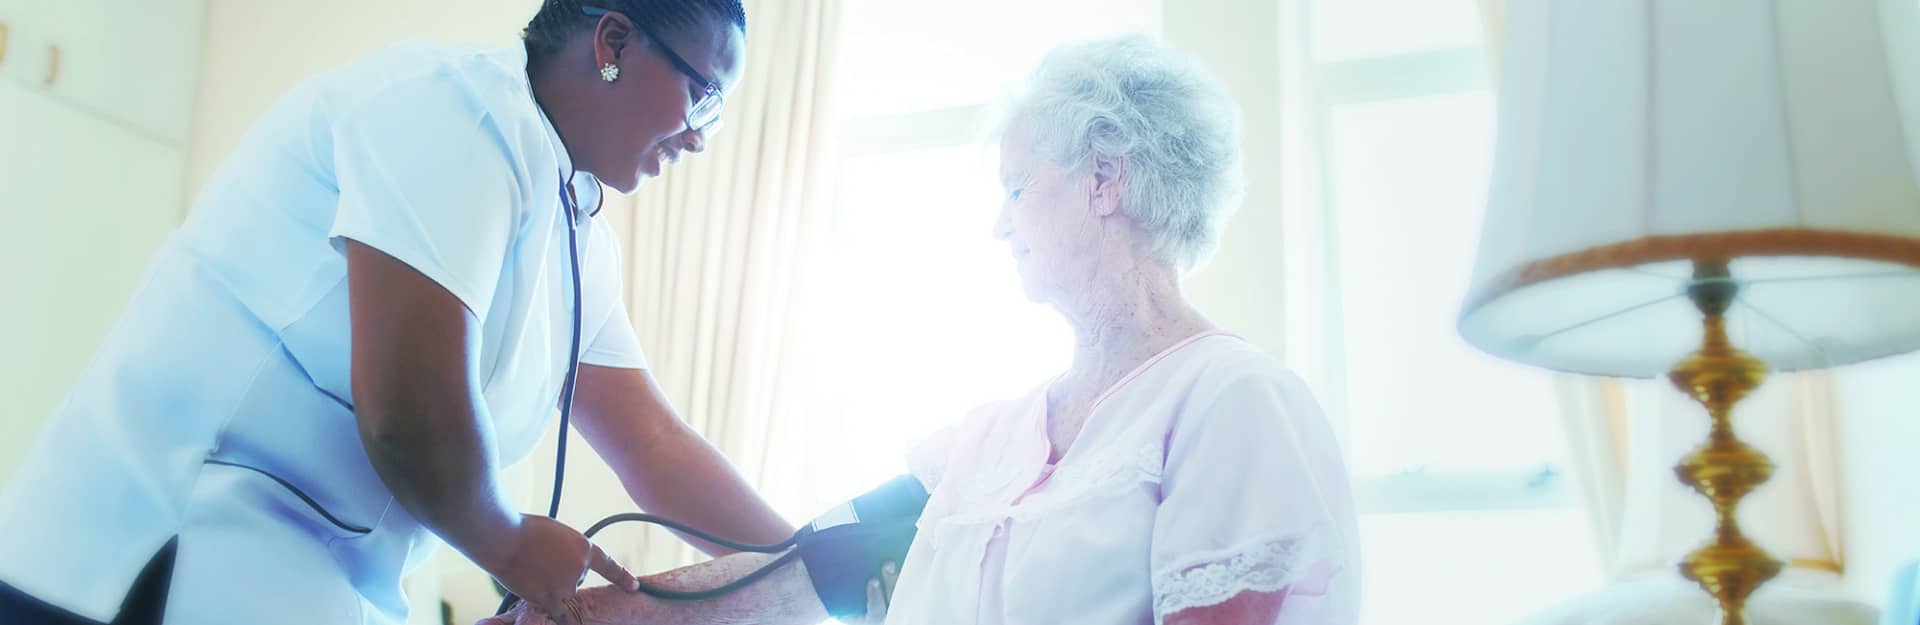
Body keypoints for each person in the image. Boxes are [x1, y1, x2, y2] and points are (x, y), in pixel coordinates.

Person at [485, 33, 1360, 625]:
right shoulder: (988, 439)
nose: (1000, 222)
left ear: (1104, 178)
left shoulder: (1232, 402)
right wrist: (600, 612)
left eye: (1017, 186)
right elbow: (802, 568)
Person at [0, 2, 819, 624]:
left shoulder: (576, 231)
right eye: (704, 93)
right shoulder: (450, 112)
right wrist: (508, 544)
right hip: (134, 567)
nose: (702, 135)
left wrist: (814, 562)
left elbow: (652, 443)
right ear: (613, 44)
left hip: (292, 587)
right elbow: (408, 413)